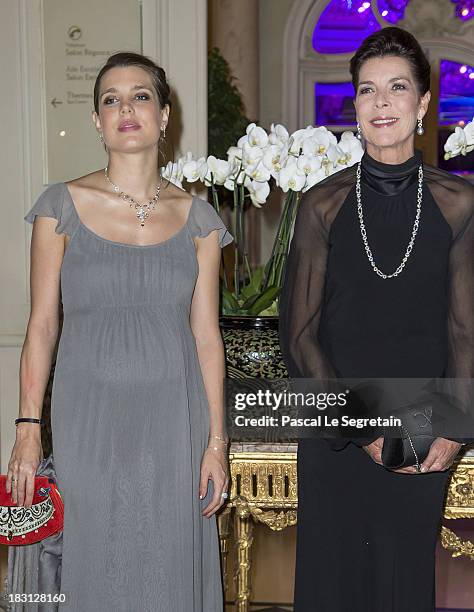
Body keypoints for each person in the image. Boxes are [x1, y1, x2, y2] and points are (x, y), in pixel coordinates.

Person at [6, 52, 233, 611]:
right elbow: (41, 326)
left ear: (164, 115)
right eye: (110, 98)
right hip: (89, 420)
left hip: (175, 422)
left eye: (140, 96)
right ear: (97, 120)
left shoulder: (199, 219)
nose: (125, 108)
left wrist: (217, 443)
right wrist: (28, 430)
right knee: (93, 558)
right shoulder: (60, 207)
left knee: (171, 562)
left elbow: (207, 337)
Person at [279, 27, 473, 612]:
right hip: (338, 432)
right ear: (356, 106)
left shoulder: (459, 205)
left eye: (396, 88)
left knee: (400, 588)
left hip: (422, 433)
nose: (381, 103)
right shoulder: (322, 203)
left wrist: (453, 428)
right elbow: (300, 333)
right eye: (368, 91)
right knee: (333, 586)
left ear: (422, 103)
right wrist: (362, 430)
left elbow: (467, 331)